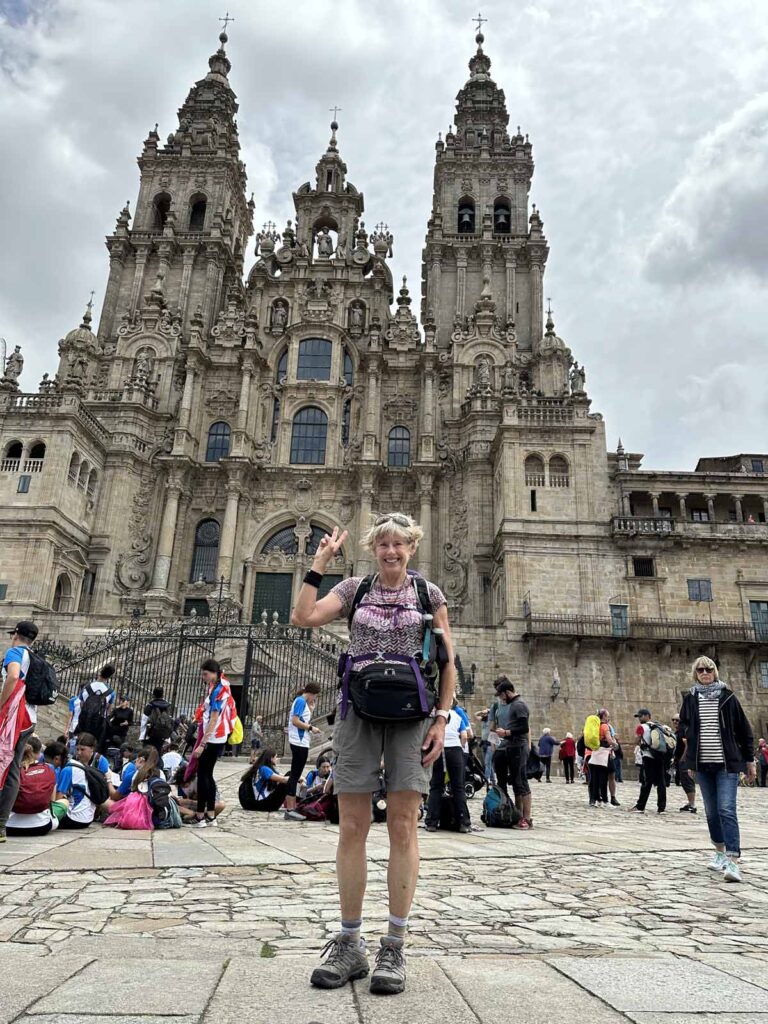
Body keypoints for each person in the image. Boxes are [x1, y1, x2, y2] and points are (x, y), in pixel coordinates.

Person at [291, 514, 455, 996]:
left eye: (399, 543)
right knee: (351, 825)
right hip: (358, 710)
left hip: (411, 715)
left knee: (403, 825)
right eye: (382, 543)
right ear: (373, 548)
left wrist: (443, 720)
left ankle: (395, 944)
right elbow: (302, 617)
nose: (390, 550)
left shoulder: (430, 595)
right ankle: (349, 941)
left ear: (411, 547)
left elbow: (447, 662)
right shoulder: (353, 590)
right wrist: (319, 562)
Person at [678, 655, 755, 883]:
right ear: (696, 673)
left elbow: (744, 730)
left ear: (715, 672)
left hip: (726, 764)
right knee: (711, 812)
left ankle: (733, 859)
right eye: (700, 670)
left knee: (726, 810)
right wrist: (690, 759)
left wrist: (749, 760)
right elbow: (683, 727)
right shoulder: (690, 699)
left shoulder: (728, 697)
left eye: (709, 669)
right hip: (702, 764)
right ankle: (720, 852)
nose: (705, 673)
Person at [0, 620, 39, 842]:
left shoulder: (15, 652)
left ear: (16, 634)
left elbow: (13, 676)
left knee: (4, 764)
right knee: (13, 767)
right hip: (30, 718)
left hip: (15, 715)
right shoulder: (34, 657)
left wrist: (1, 704)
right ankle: (1, 825)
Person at [191, 659, 235, 827]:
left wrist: (202, 743)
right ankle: (210, 815)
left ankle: (200, 816)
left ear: (214, 673)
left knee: (203, 776)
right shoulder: (220, 686)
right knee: (208, 775)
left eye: (205, 674)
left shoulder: (218, 690)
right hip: (218, 737)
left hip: (213, 737)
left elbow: (214, 717)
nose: (203, 677)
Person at [490, 678, 532, 828]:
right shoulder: (512, 705)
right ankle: (518, 815)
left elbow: (524, 728)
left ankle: (526, 819)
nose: (501, 698)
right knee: (516, 782)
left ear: (507, 693)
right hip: (511, 747)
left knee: (521, 782)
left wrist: (506, 732)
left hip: (519, 747)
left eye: (501, 695)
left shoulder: (519, 705)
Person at [425, 706, 470, 833]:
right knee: (458, 787)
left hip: (438, 749)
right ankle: (463, 822)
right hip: (455, 749)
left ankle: (432, 822)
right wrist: (460, 748)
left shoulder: (433, 715)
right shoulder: (457, 715)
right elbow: (465, 735)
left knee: (436, 786)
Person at [284, 682, 322, 821]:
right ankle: (290, 808)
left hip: (301, 741)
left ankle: (292, 807)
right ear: (312, 694)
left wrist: (311, 709)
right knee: (295, 775)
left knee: (296, 774)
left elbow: (302, 718)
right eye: (315, 696)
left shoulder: (303, 702)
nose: (315, 699)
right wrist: (312, 728)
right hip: (298, 740)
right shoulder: (300, 701)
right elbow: (295, 721)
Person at [6, 743, 57, 836]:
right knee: (64, 802)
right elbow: (51, 800)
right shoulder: (47, 768)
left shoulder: (10, 771)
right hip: (42, 826)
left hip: (9, 827)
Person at [631, 709, 667, 814]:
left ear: (647, 716)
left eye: (641, 716)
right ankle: (661, 808)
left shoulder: (641, 727)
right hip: (659, 756)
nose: (639, 718)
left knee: (646, 782)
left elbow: (636, 741)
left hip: (648, 756)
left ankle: (640, 806)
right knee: (661, 782)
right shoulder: (657, 726)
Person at [75, 664, 116, 751]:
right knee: (93, 746)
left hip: (84, 720)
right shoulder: (111, 692)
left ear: (99, 672)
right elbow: (108, 710)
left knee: (80, 743)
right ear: (109, 676)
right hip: (99, 723)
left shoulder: (87, 687)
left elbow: (81, 703)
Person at [140, 686, 174, 758]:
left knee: (147, 753)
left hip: (150, 733)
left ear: (153, 694)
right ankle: (157, 766)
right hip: (163, 734)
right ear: (163, 695)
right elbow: (170, 720)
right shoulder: (167, 706)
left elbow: (144, 720)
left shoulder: (150, 705)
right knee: (158, 752)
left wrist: (142, 735)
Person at [672, 714, 696, 813]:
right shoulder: (679, 731)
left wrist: (683, 758)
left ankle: (692, 804)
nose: (675, 722)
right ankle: (690, 803)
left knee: (687, 781)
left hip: (685, 760)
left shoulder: (684, 730)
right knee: (684, 781)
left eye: (677, 720)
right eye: (673, 720)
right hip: (680, 759)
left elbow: (687, 745)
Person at [475, 708, 496, 783]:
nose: (484, 715)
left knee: (487, 762)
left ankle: (486, 779)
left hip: (490, 744)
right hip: (483, 743)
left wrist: (488, 710)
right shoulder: (482, 720)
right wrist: (481, 711)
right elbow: (475, 715)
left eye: (485, 713)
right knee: (488, 763)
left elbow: (493, 715)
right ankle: (493, 779)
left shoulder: (491, 721)